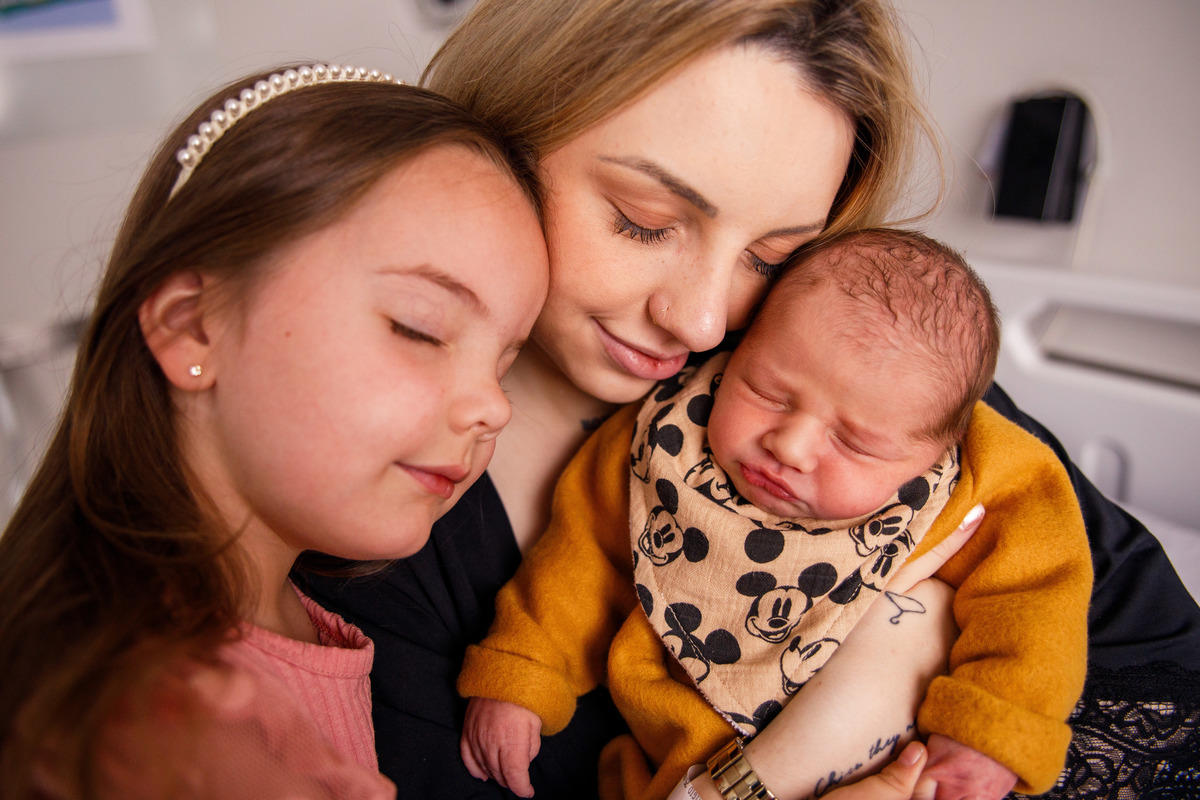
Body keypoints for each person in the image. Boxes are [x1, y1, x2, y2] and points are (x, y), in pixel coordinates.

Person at [298, 1, 1200, 798]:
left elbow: (1156, 669)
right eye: (645, 220)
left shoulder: (863, 364)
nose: (700, 320)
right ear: (499, 141)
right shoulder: (373, 542)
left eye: (771, 257)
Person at [0, 65, 553, 798]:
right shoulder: (161, 737)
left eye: (505, 363)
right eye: (420, 329)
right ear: (193, 326)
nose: (492, 407)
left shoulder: (297, 624)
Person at [458, 228, 1092, 800]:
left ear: (936, 449)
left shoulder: (995, 479)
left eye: (853, 443)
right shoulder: (659, 446)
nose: (788, 446)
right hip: (686, 764)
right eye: (766, 391)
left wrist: (990, 725)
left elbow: (1036, 602)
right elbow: (579, 561)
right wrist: (522, 674)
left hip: (897, 761)